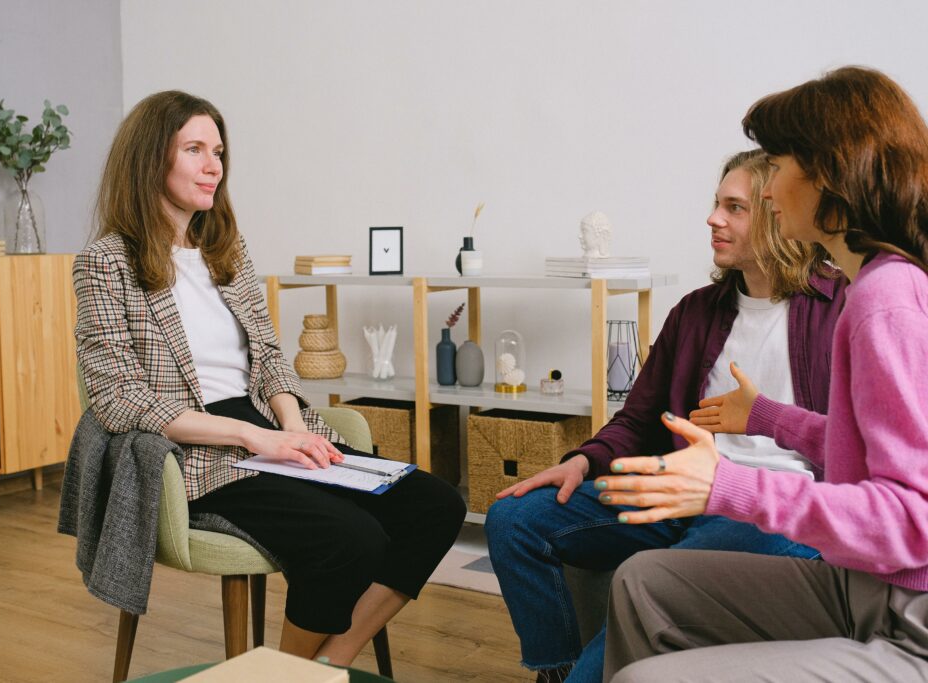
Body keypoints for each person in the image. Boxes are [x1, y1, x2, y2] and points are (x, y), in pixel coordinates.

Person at [73, 90, 465, 666]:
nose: (214, 166)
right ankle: (284, 675)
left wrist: (289, 427)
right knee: (350, 540)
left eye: (219, 152)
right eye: (195, 150)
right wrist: (256, 440)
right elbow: (118, 398)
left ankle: (328, 663)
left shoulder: (225, 249)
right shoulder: (106, 262)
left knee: (434, 504)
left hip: (268, 427)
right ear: (150, 159)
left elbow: (270, 358)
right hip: (198, 450)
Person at [598, 66, 928, 683]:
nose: (769, 192)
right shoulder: (871, 289)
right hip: (862, 584)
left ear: (831, 173)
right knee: (644, 581)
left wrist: (729, 486)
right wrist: (769, 418)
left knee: (641, 681)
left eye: (775, 166)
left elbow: (914, 520)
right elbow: (875, 455)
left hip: (910, 621)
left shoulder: (885, 301)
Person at [485, 150, 845, 683]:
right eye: (715, 203)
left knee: (651, 580)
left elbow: (860, 445)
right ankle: (558, 671)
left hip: (773, 509)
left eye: (734, 207)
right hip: (676, 491)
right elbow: (637, 417)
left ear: (777, 213)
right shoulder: (696, 311)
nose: (713, 219)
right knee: (514, 518)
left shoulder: (842, 309)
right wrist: (583, 462)